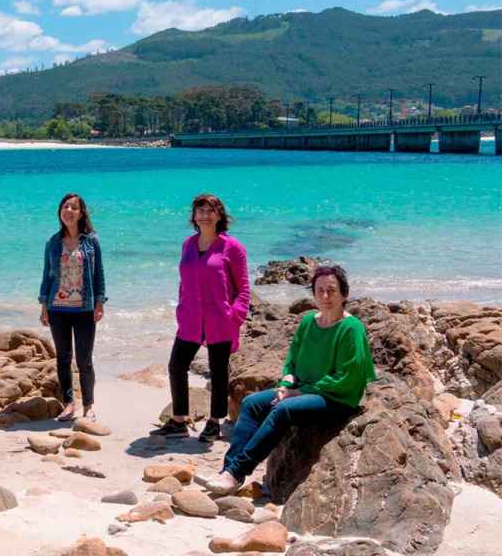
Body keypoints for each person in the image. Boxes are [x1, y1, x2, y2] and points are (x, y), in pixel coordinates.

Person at [205, 265, 376, 495]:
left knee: (283, 409)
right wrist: (286, 385)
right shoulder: (308, 322)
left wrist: (299, 392)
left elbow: (347, 378)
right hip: (303, 390)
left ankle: (237, 471)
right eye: (320, 290)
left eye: (332, 290)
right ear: (313, 293)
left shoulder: (351, 329)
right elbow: (292, 361)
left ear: (344, 294)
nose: (325, 296)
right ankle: (228, 472)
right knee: (251, 403)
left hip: (336, 397)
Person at [154, 194, 249, 442]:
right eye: (200, 210)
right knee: (177, 366)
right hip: (190, 318)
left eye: (210, 210)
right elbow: (184, 280)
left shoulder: (233, 247)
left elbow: (243, 289)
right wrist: (180, 307)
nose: (205, 215)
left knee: (218, 372)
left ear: (220, 215)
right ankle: (178, 420)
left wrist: (234, 315)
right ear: (194, 216)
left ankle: (214, 422)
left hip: (220, 319)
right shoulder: (188, 244)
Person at [38, 193, 106, 422]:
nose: (69, 210)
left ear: (81, 213)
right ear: (60, 212)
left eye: (74, 207)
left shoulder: (91, 241)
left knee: (84, 359)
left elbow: (99, 275)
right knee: (63, 358)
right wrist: (43, 305)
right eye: (65, 206)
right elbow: (47, 275)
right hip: (57, 308)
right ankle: (69, 403)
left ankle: (89, 406)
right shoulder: (52, 242)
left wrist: (99, 302)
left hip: (84, 309)